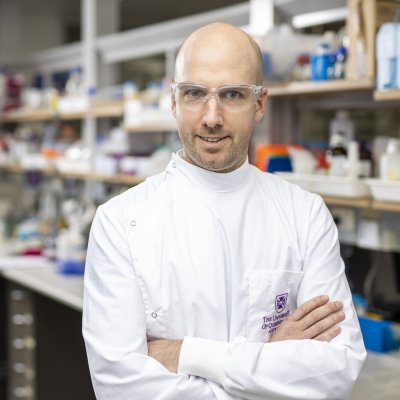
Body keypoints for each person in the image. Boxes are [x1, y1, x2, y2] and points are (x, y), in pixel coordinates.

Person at [83, 22, 366, 400]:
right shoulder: (120, 222)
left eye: (232, 94)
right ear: (173, 101)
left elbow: (335, 371)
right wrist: (269, 361)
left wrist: (186, 353)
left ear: (260, 103)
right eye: (194, 93)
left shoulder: (305, 214)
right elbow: (121, 388)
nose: (211, 117)